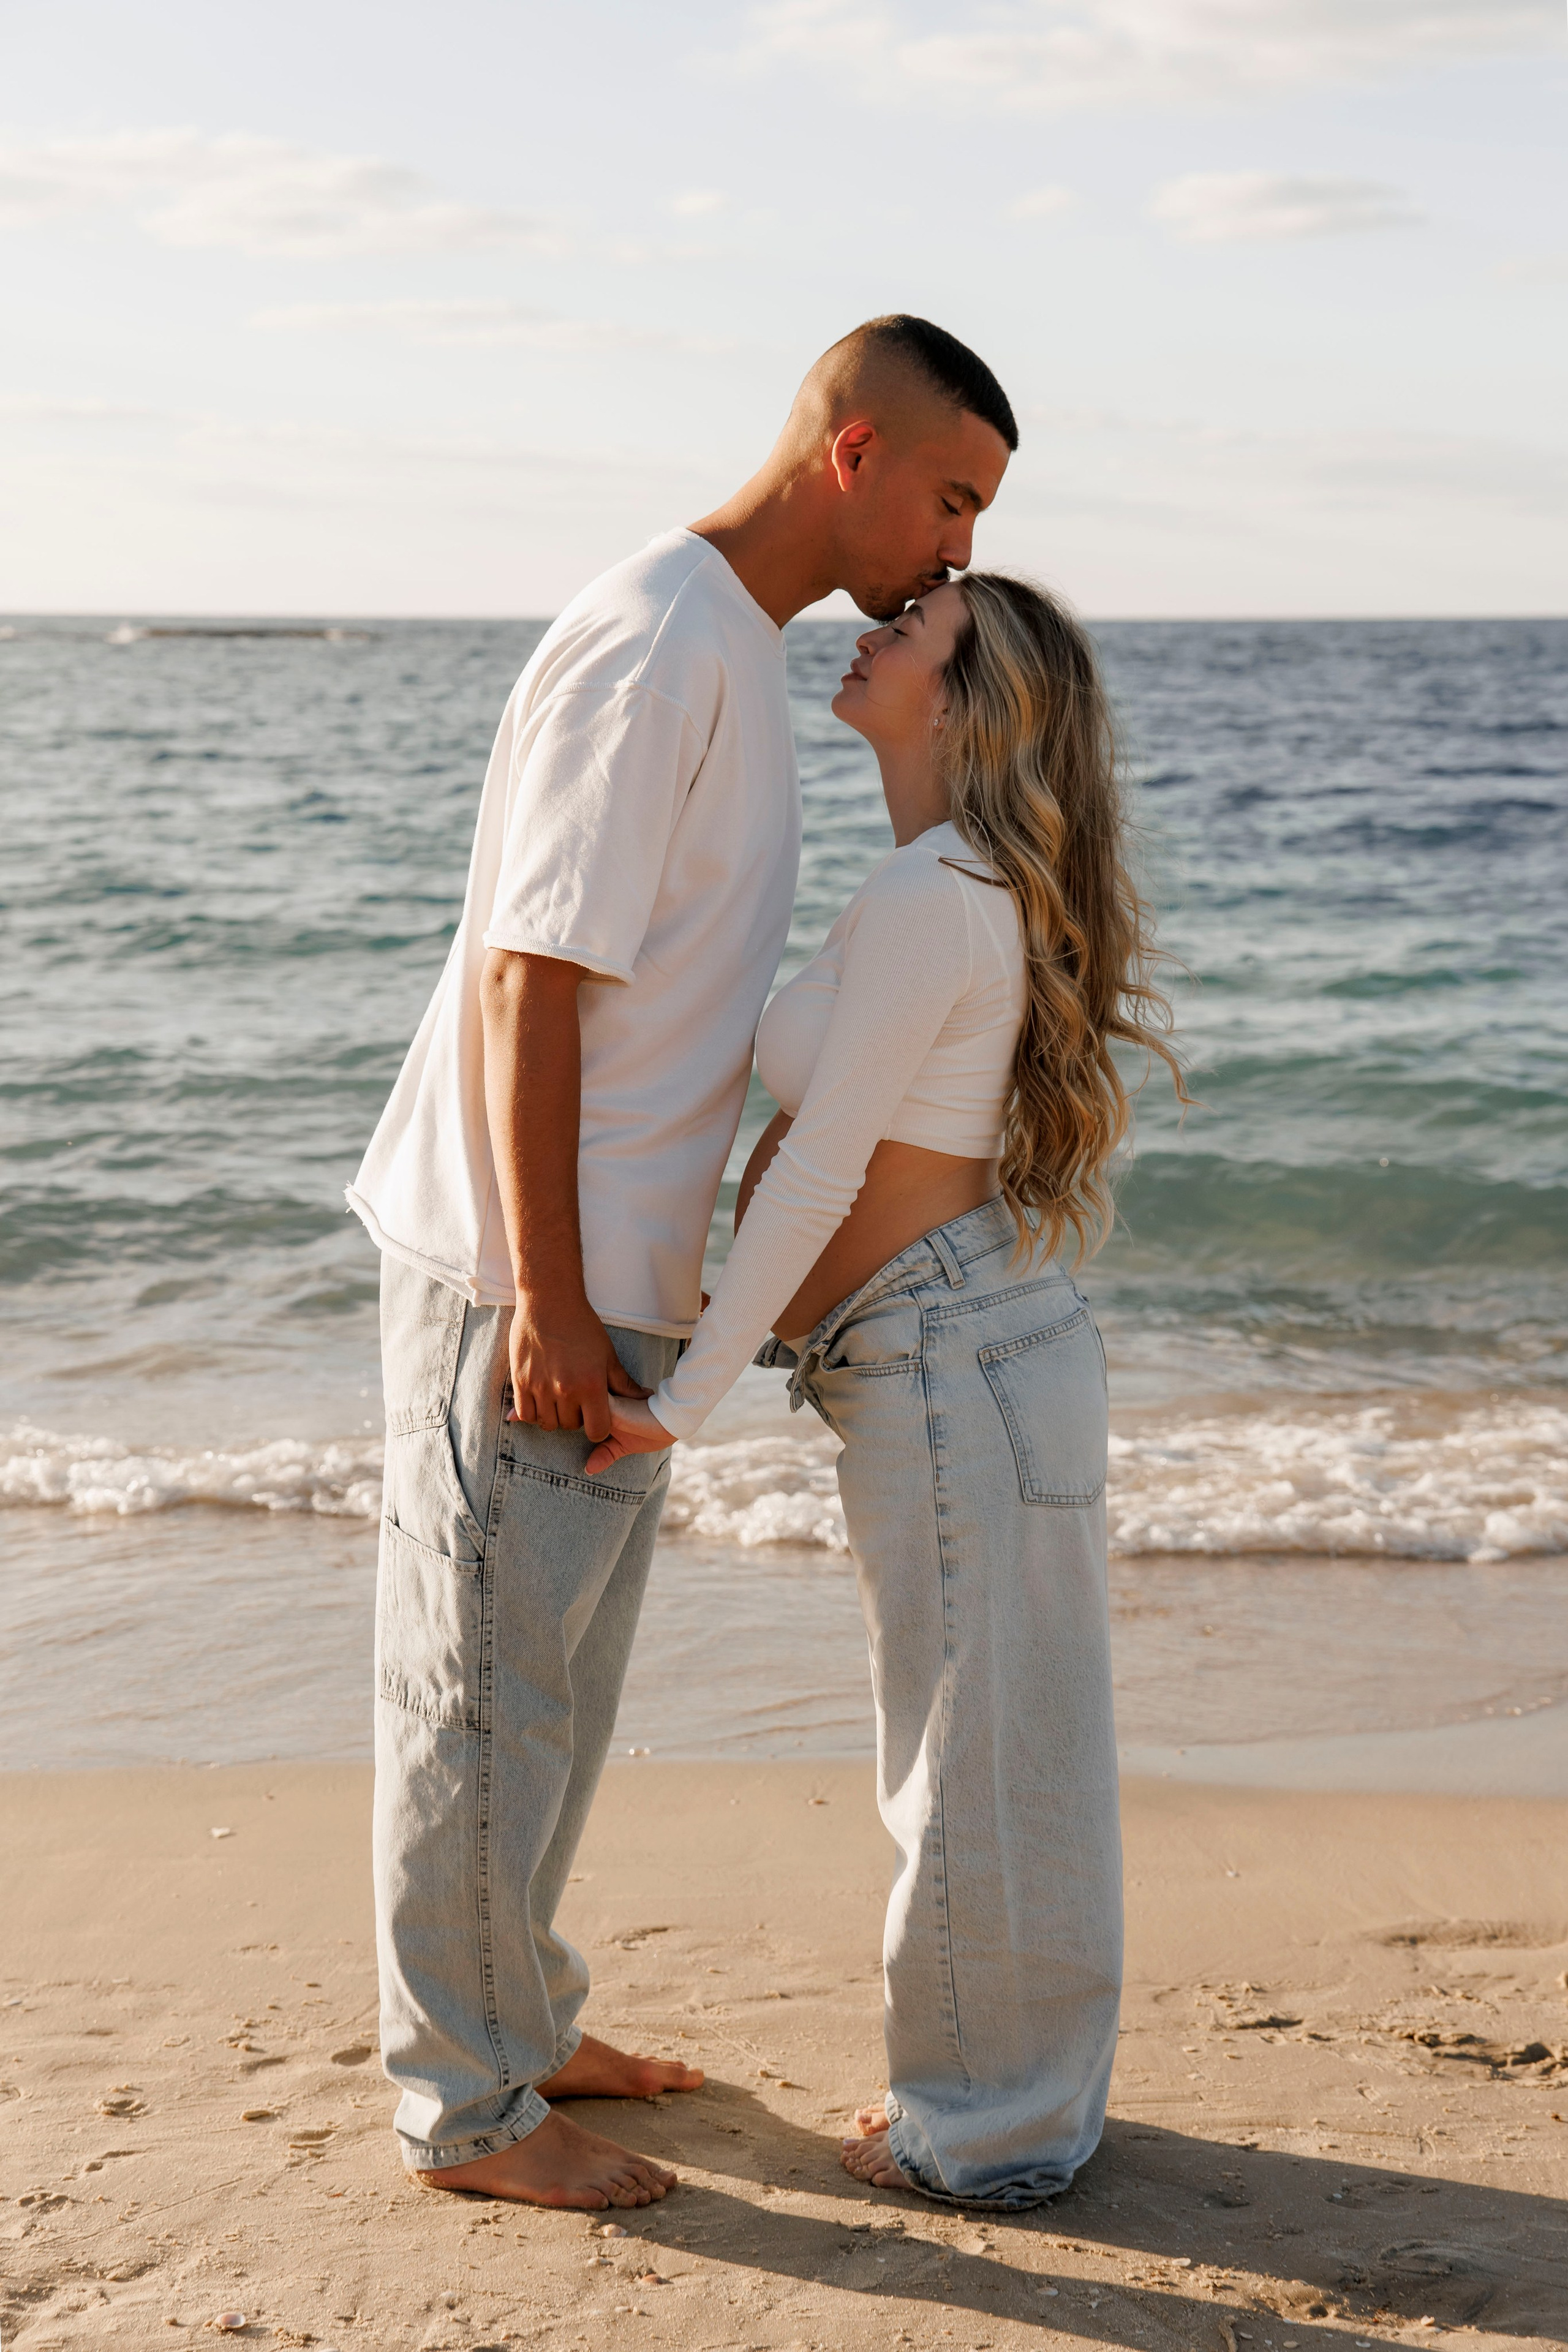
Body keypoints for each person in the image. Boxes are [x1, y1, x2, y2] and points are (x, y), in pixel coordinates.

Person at [345, 316, 1017, 2211]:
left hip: (618, 1271)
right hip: (529, 1274)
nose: (957, 548)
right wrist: (547, 1295)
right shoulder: (660, 638)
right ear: (853, 451)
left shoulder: (731, 646)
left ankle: (520, 2020)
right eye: (951, 496)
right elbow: (527, 978)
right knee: (480, 1692)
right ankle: (468, 2114)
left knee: (549, 1690)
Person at [588, 571, 1187, 2207]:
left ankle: (987, 2133)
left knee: (970, 1761)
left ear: (970, 701)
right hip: (973, 1347)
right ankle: (1020, 2102)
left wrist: (687, 1395)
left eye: (909, 629)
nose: (870, 632)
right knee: (1004, 1751)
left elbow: (820, 1167)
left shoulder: (940, 889)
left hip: (951, 1358)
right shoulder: (951, 879)